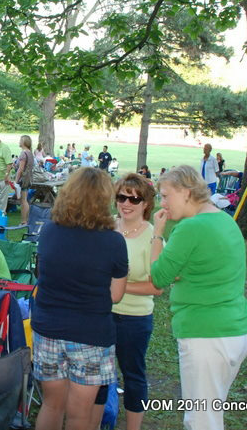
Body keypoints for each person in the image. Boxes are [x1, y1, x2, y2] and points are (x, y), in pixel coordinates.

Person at [150, 165, 247, 430]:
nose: (162, 203)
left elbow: (158, 276)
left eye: (165, 196)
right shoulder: (224, 220)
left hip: (207, 336)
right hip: (237, 330)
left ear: (186, 192)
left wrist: (157, 234)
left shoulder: (191, 228)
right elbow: (198, 266)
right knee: (211, 412)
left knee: (200, 419)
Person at [31, 167, 128, 430]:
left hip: (48, 330)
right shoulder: (114, 242)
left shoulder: (49, 231)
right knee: (79, 415)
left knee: (51, 405)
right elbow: (116, 295)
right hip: (90, 336)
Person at [90, 173, 161, 430]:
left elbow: (157, 287)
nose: (126, 204)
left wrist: (118, 285)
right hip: (101, 314)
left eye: (134, 199)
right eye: (121, 197)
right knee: (97, 376)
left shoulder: (152, 236)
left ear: (146, 204)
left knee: (133, 376)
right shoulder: (105, 227)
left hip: (135, 319)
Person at [16, 135, 35, 225]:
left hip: (23, 179)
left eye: (20, 140)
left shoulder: (23, 153)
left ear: (24, 142)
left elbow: (21, 169)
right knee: (24, 200)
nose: (19, 141)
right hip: (29, 178)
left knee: (23, 200)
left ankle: (24, 221)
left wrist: (16, 181)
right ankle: (25, 220)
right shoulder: (30, 152)